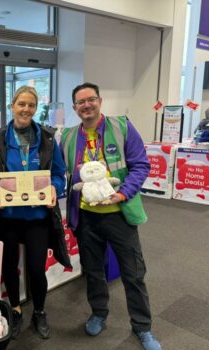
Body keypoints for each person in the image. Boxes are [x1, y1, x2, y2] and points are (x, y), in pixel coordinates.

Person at [61, 82, 161, 350]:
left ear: (100, 101)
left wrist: (123, 193)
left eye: (91, 100)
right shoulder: (69, 137)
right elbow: (60, 173)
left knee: (133, 273)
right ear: (75, 108)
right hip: (86, 217)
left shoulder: (121, 126)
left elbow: (141, 165)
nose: (86, 105)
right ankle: (99, 313)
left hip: (119, 214)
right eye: (81, 102)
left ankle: (143, 328)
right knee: (93, 271)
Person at [0, 86, 71, 340]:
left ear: (35, 108)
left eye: (31, 105)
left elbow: (59, 174)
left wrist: (55, 187)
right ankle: (17, 311)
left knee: (35, 267)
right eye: (21, 104)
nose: (26, 109)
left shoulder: (48, 138)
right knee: (9, 266)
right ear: (12, 105)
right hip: (8, 217)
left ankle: (39, 311)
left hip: (36, 218)